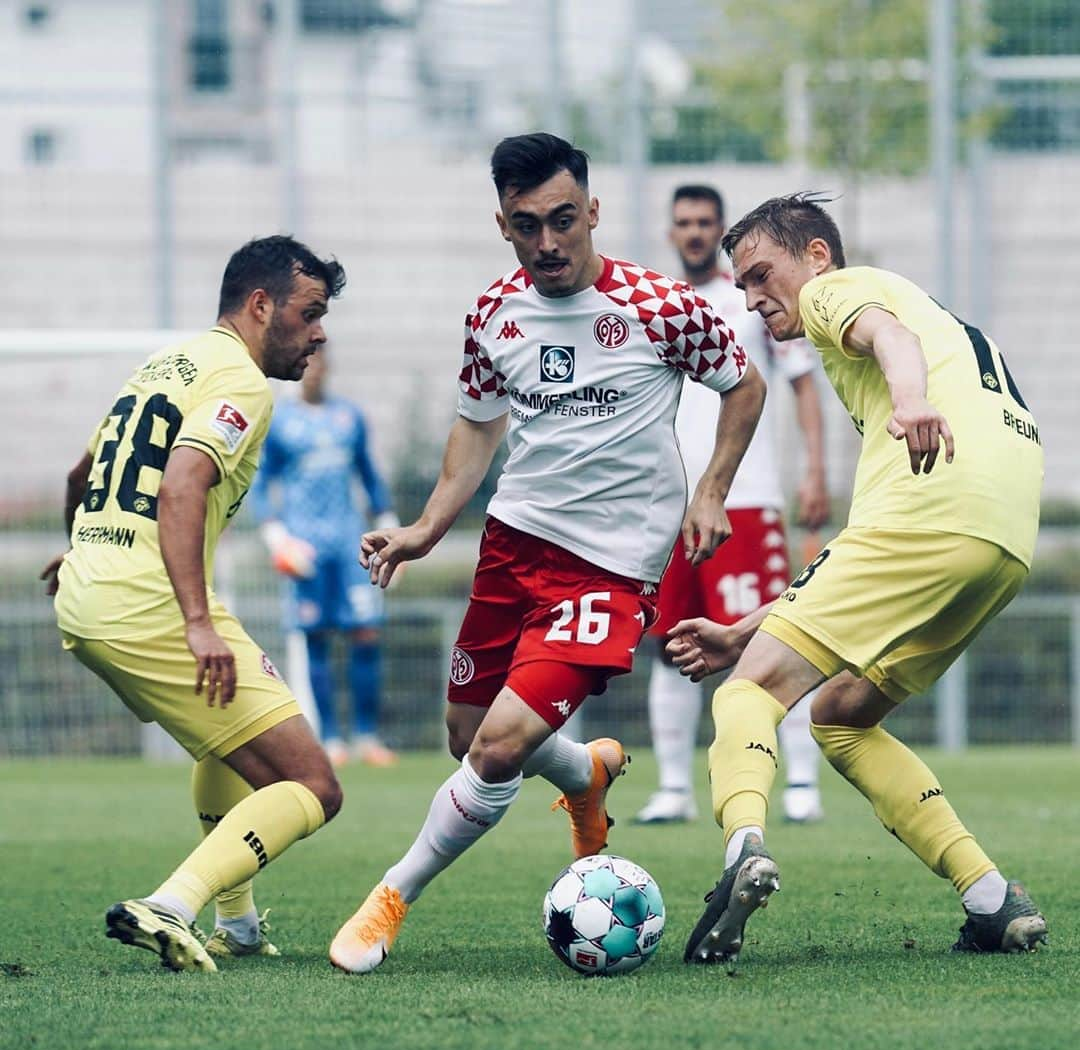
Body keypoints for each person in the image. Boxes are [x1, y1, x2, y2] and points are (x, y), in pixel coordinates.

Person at [328, 132, 766, 974]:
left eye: (564, 220)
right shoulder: (494, 312)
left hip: (609, 569)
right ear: (504, 224)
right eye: (527, 225)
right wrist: (425, 527)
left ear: (593, 211)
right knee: (466, 738)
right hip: (512, 545)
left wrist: (711, 489)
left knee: (496, 748)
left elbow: (742, 383)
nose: (549, 243)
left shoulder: (659, 305)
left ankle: (390, 899)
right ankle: (584, 777)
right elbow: (477, 425)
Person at [667, 194, 1048, 965]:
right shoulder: (945, 325)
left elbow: (888, 336)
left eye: (762, 273)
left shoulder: (841, 291)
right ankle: (991, 899)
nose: (752, 296)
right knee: (841, 713)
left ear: (815, 257)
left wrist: (910, 400)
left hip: (933, 509)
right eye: (740, 285)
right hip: (1001, 540)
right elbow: (852, 565)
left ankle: (743, 848)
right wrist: (746, 627)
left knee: (749, 691)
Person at [41, 236, 348, 972]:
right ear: (260, 305)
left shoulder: (164, 364)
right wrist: (199, 621)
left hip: (94, 594)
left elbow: (82, 473)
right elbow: (182, 485)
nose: (319, 333)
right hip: (151, 603)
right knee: (313, 783)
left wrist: (89, 547)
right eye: (308, 315)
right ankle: (171, 904)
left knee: (226, 742)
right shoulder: (240, 381)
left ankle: (236, 925)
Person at [635, 183, 830, 827]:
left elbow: (801, 384)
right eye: (683, 222)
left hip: (746, 500)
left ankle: (800, 781)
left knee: (771, 640)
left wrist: (814, 470)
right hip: (671, 508)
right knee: (670, 643)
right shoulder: (656, 307)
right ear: (671, 231)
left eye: (704, 223)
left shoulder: (751, 303)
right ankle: (672, 789)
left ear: (718, 230)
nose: (693, 232)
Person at [251, 345, 400, 768]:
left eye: (322, 362)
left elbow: (369, 475)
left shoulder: (348, 417)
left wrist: (389, 522)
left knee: (367, 632)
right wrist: (277, 537)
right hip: (306, 549)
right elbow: (262, 483)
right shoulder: (279, 421)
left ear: (330, 367)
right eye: (308, 361)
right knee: (315, 637)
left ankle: (368, 736)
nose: (314, 370)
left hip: (351, 543)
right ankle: (332, 738)